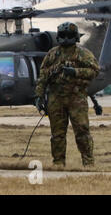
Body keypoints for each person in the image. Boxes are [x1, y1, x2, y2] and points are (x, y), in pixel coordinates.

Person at [35, 22, 99, 167]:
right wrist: (39, 96)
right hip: (55, 98)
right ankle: (58, 163)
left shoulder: (83, 53)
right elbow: (43, 76)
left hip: (76, 98)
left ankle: (88, 162)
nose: (65, 39)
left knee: (82, 131)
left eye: (69, 36)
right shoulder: (52, 54)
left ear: (75, 37)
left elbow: (94, 71)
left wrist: (75, 72)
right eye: (63, 35)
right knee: (57, 134)